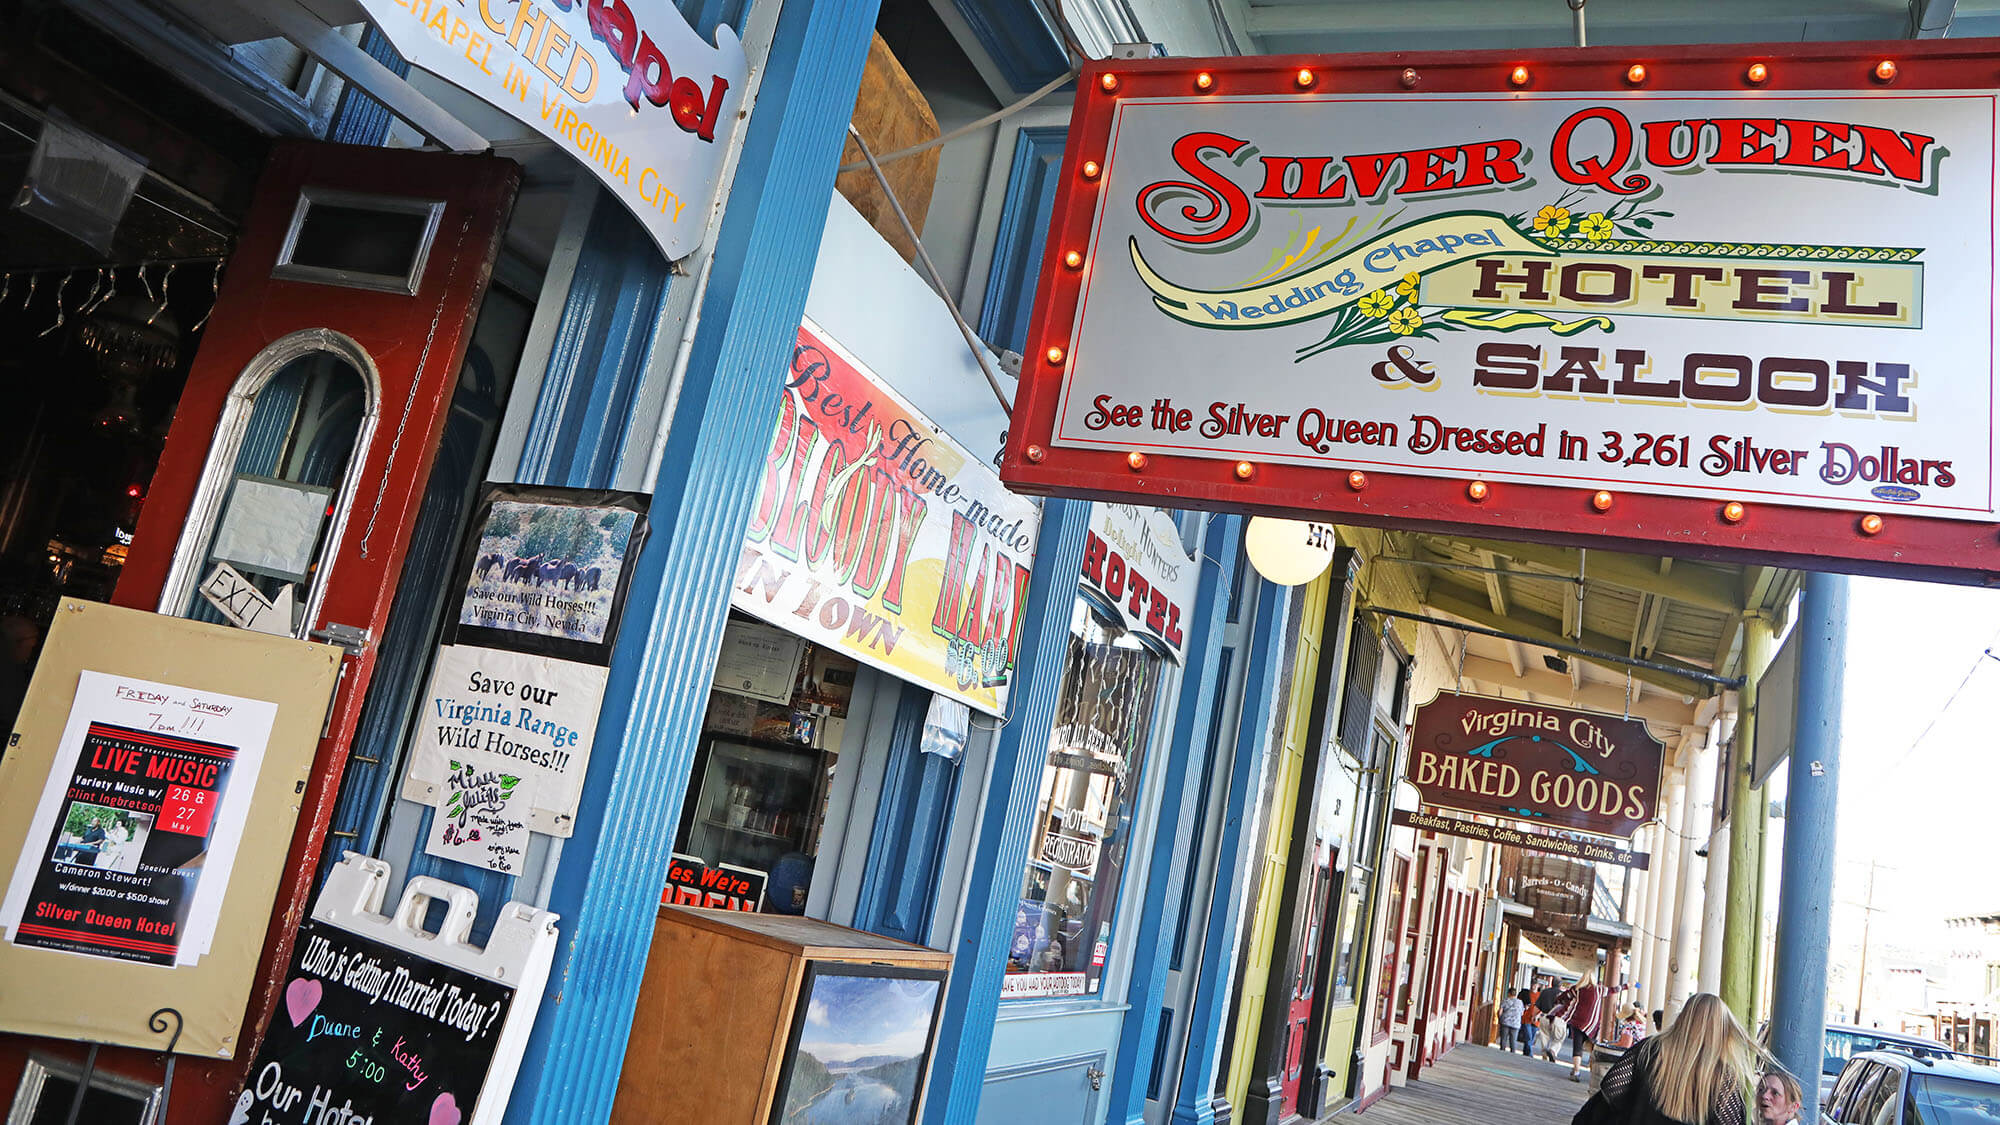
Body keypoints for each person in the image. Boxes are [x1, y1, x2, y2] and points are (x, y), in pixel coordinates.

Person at [1571, 992, 1758, 1125]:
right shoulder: (1723, 1077)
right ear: (1722, 1029)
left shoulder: (1647, 1050)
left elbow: (1608, 1097)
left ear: (1683, 1019)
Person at [1555, 973, 1608, 1082]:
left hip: (1577, 1022)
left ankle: (1576, 1071)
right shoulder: (1599, 990)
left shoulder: (1577, 989)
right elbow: (1614, 990)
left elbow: (1563, 997)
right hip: (1592, 1024)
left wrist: (1559, 1002)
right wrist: (1628, 985)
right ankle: (1593, 1073)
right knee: (1592, 1048)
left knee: (1577, 1047)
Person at [1501, 989, 1526, 1054]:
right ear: (1515, 994)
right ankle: (1512, 1053)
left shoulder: (1505, 1001)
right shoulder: (1520, 1002)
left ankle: (1502, 1051)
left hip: (1505, 1021)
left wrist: (1500, 1018)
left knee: (1504, 1038)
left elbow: (1500, 1011)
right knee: (1513, 1040)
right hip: (1516, 1023)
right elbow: (1522, 1013)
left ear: (1509, 993)